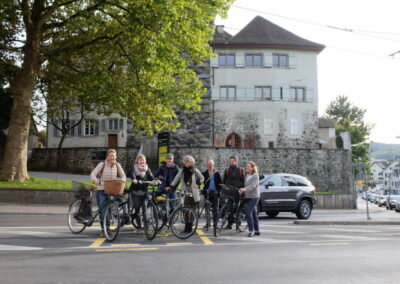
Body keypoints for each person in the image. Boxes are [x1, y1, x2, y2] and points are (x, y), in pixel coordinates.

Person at [167, 155, 204, 233]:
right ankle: (186, 226)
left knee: (193, 210)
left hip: (194, 193)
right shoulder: (182, 171)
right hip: (185, 192)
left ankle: (190, 226)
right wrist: (171, 186)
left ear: (191, 163)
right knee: (186, 210)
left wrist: (197, 183)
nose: (185, 163)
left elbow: (202, 178)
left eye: (187, 161)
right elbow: (176, 178)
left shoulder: (195, 170)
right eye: (185, 161)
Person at [90, 149, 126, 229]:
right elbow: (93, 173)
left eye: (113, 156)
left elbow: (123, 175)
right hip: (101, 189)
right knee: (103, 210)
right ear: (107, 156)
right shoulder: (102, 164)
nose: (112, 157)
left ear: (116, 156)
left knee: (110, 209)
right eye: (110, 156)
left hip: (112, 190)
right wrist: (94, 179)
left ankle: (108, 227)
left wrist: (122, 181)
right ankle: (104, 228)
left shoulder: (117, 165)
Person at [129, 154, 157, 229]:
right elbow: (132, 174)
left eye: (143, 160)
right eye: (140, 160)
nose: (142, 161)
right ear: (137, 161)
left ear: (145, 161)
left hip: (144, 191)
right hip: (135, 191)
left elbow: (151, 176)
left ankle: (146, 226)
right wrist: (134, 179)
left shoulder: (147, 169)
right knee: (137, 209)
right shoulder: (134, 167)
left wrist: (156, 180)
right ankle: (139, 226)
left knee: (144, 209)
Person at [223, 155, 245, 229]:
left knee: (236, 207)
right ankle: (229, 224)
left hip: (236, 191)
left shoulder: (240, 170)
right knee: (229, 208)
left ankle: (238, 223)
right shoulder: (227, 170)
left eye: (233, 161)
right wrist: (224, 188)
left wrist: (242, 190)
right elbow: (224, 181)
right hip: (229, 192)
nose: (231, 162)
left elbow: (243, 182)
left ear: (236, 161)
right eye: (230, 161)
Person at [239, 161, 260, 237]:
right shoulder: (246, 175)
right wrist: (242, 191)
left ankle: (251, 230)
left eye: (248, 166)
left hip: (254, 197)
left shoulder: (255, 176)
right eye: (246, 166)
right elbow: (246, 185)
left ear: (252, 168)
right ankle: (257, 230)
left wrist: (244, 189)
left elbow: (253, 186)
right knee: (254, 214)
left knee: (248, 212)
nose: (247, 167)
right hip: (248, 197)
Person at [202, 159, 223, 228]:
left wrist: (218, 191)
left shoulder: (217, 173)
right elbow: (200, 182)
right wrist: (200, 188)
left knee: (215, 209)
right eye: (208, 164)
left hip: (215, 193)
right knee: (207, 209)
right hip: (207, 193)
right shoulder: (204, 173)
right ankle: (208, 223)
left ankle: (215, 224)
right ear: (206, 165)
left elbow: (220, 183)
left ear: (213, 165)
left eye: (210, 164)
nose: (209, 165)